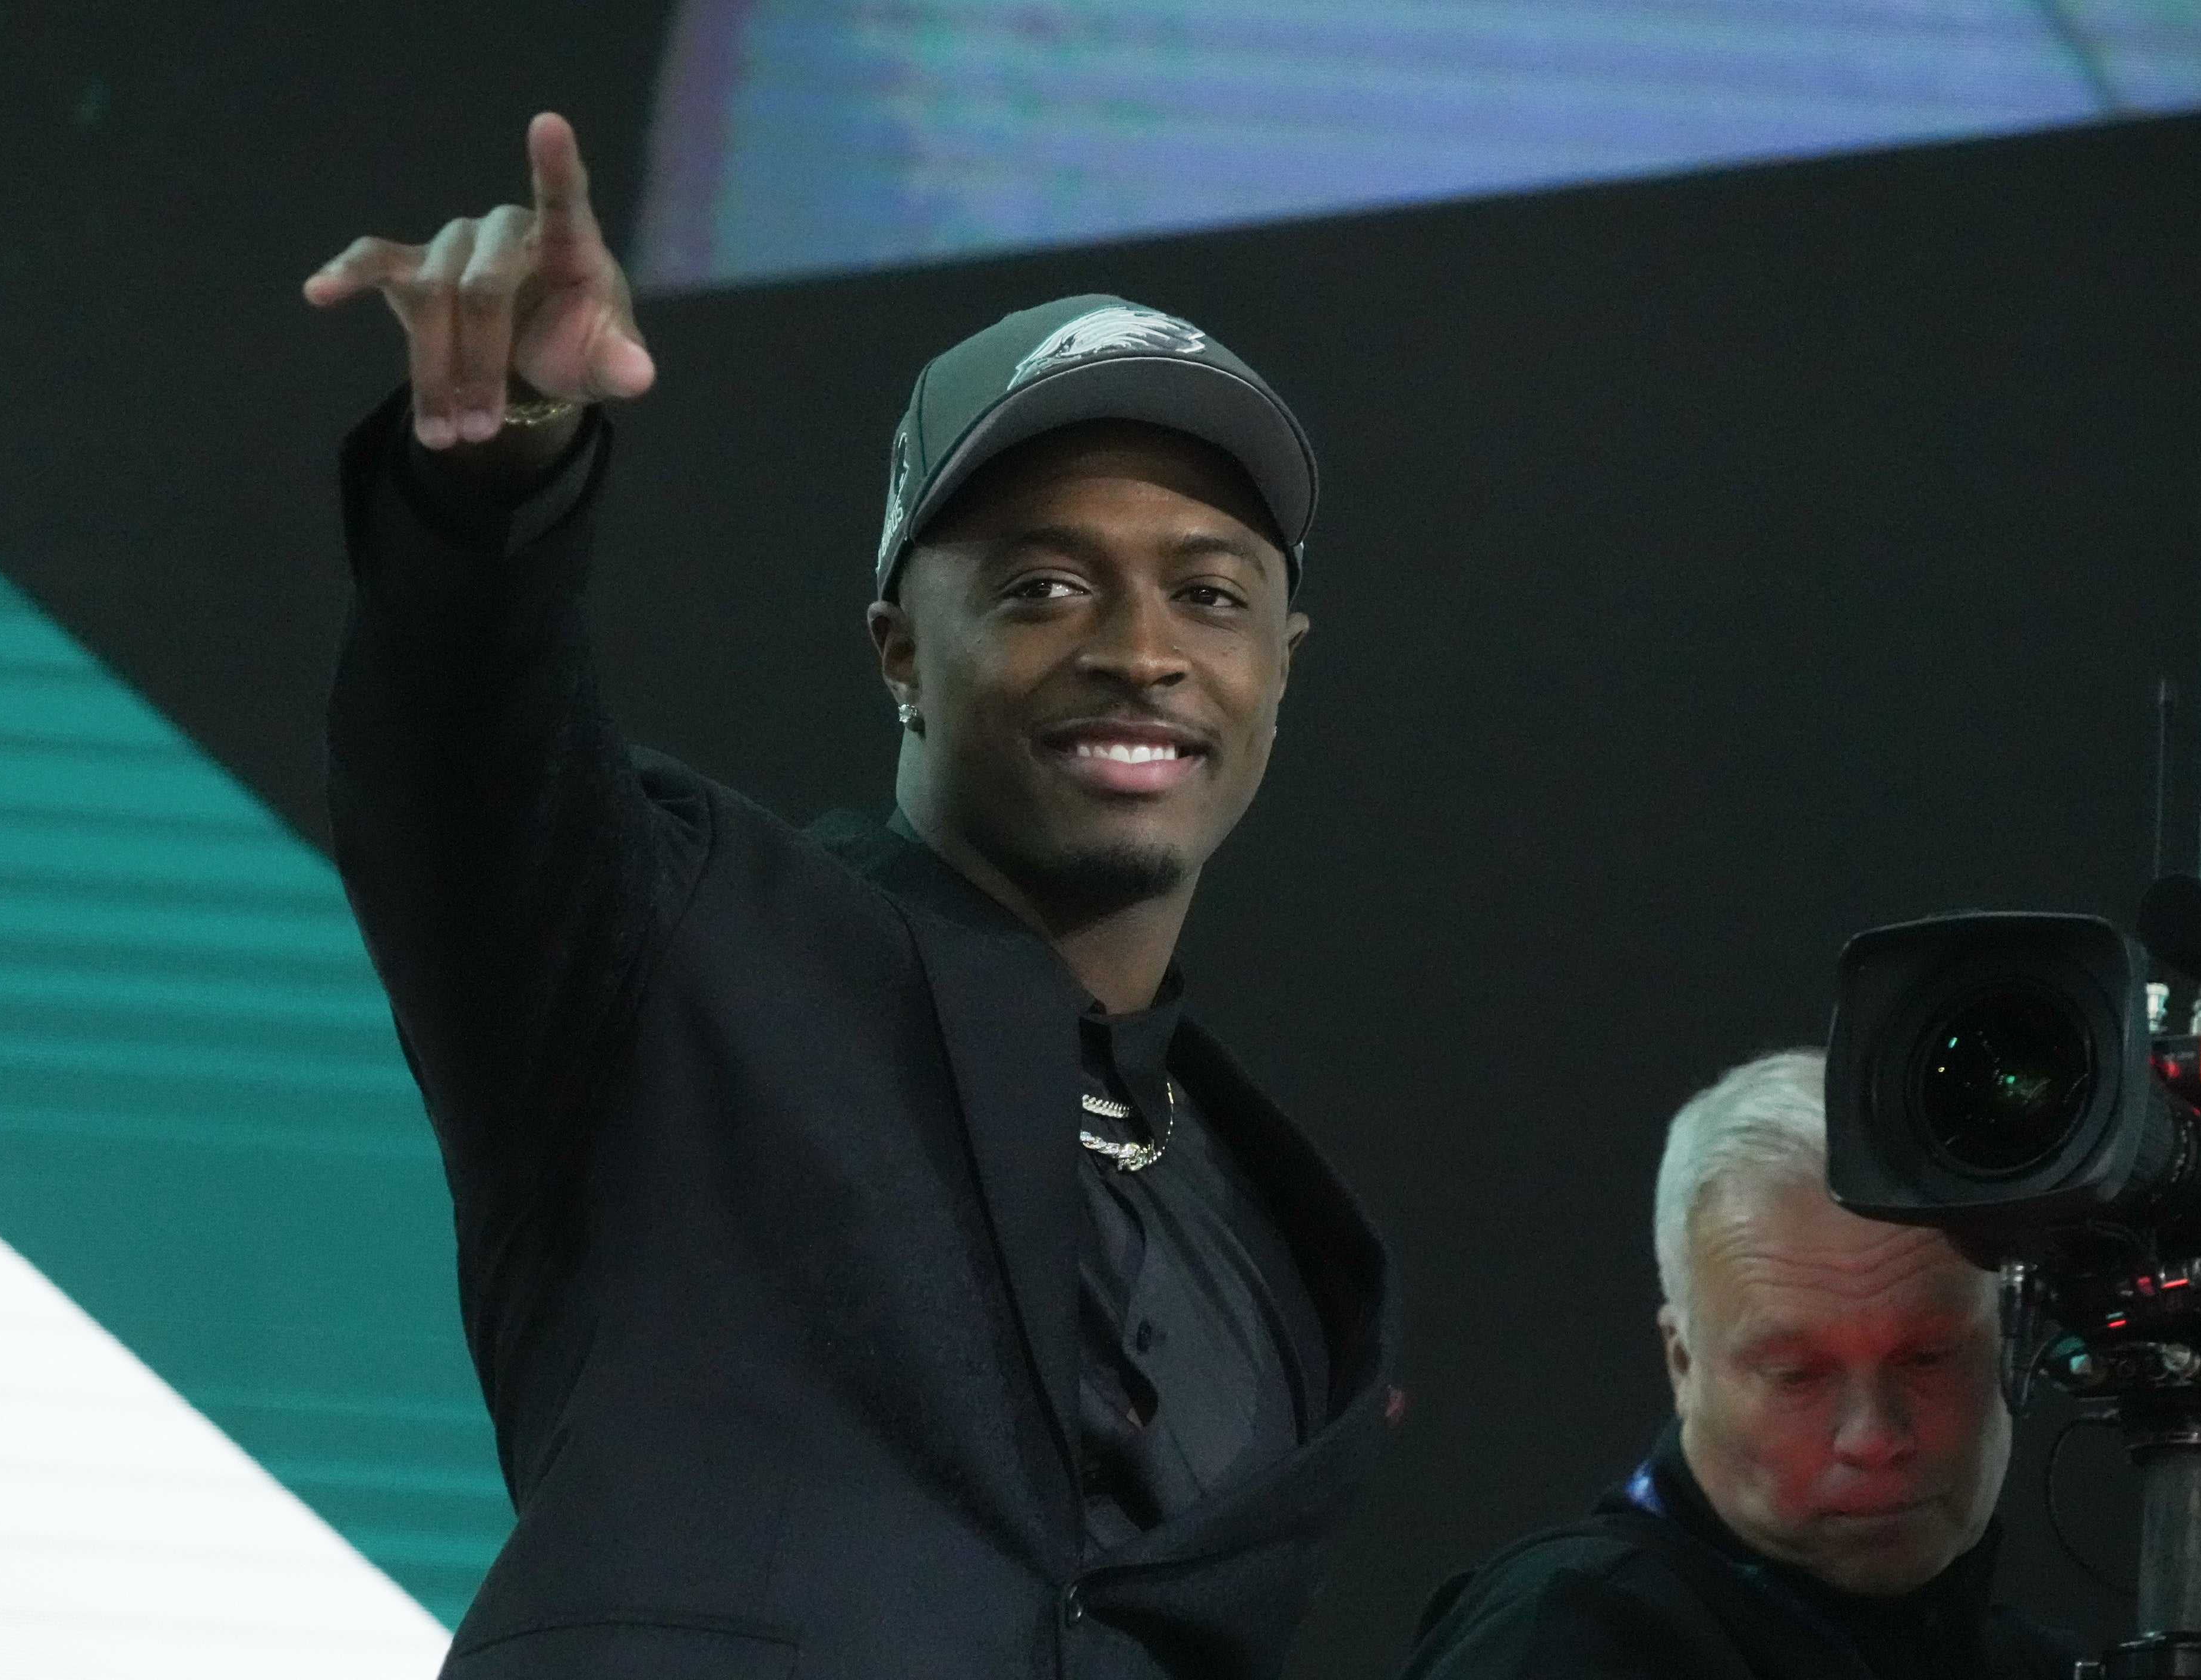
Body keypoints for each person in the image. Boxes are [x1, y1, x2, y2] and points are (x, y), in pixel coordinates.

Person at [304, 112, 1396, 1680]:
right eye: (1043, 585)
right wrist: (501, 477)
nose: (1142, 648)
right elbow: (468, 759)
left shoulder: (1283, 1237)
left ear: (1277, 666)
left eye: (1211, 593)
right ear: (899, 650)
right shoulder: (684, 946)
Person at [1399, 1050, 2079, 1680]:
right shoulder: (1571, 1638)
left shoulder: (2033, 1665)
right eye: (1797, 1374)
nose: (1873, 1437)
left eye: (1928, 1357)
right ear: (1682, 1362)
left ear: (2012, 1337)